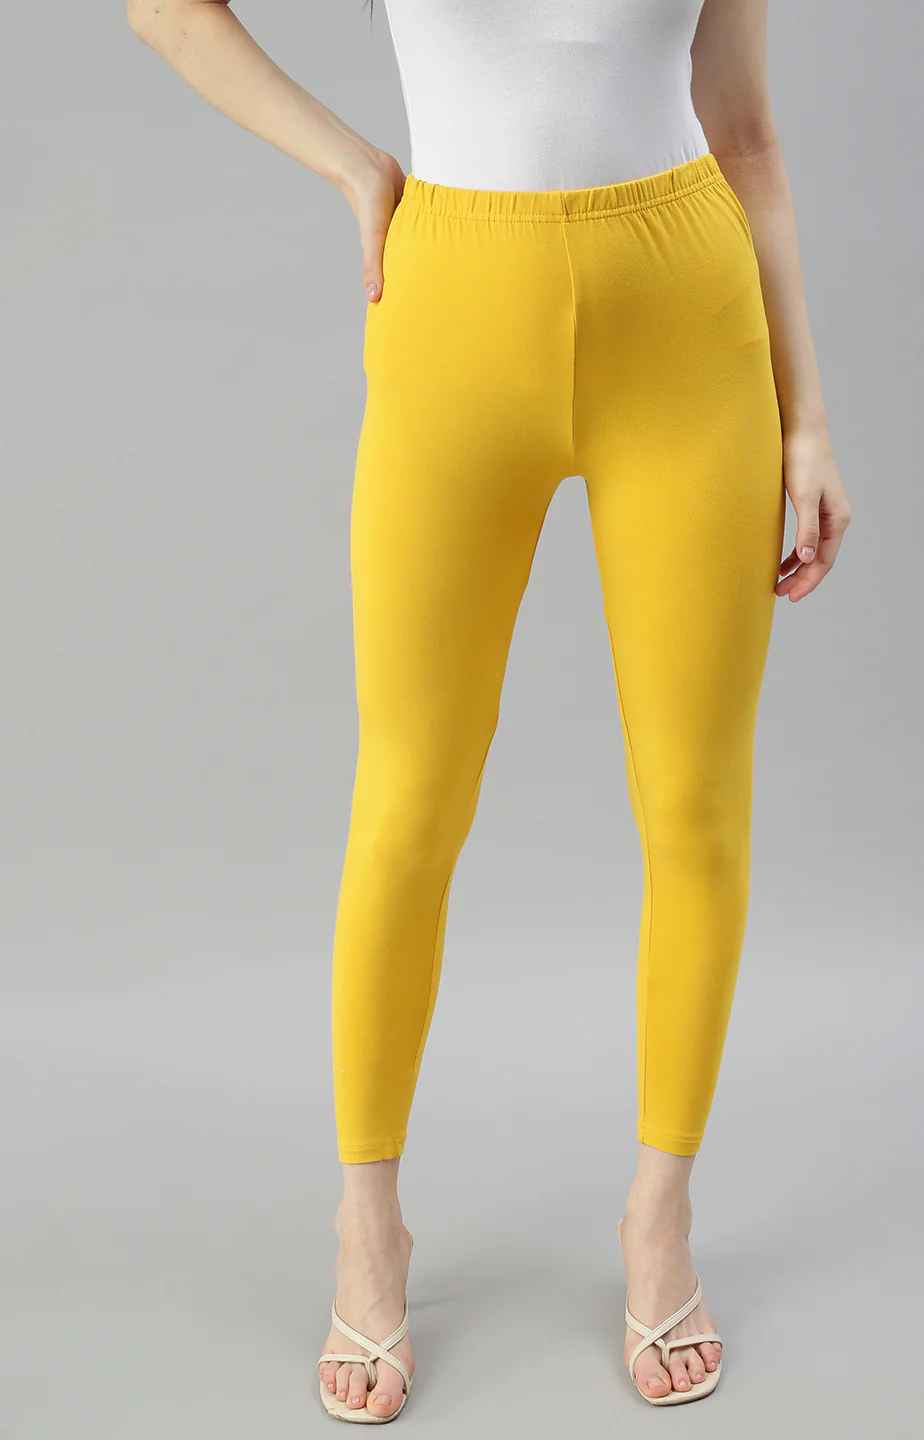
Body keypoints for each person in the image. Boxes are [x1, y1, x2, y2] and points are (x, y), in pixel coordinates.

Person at [129, 0, 852, 1420]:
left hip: (687, 320)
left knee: (696, 805)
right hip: (453, 309)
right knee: (408, 803)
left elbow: (748, 134)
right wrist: (352, 164)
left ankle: (659, 1218)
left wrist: (810, 419)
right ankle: (367, 1223)